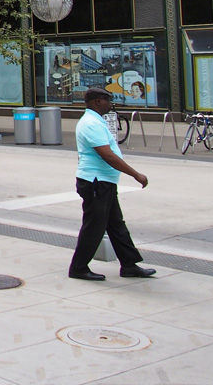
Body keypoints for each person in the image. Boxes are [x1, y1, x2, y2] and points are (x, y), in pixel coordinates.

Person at [69, 88, 156, 281]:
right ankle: (78, 268)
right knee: (94, 226)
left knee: (116, 225)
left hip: (103, 182)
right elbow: (107, 155)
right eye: (108, 101)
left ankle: (129, 265)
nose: (111, 104)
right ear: (98, 101)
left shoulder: (94, 121)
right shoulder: (91, 123)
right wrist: (136, 175)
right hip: (96, 183)